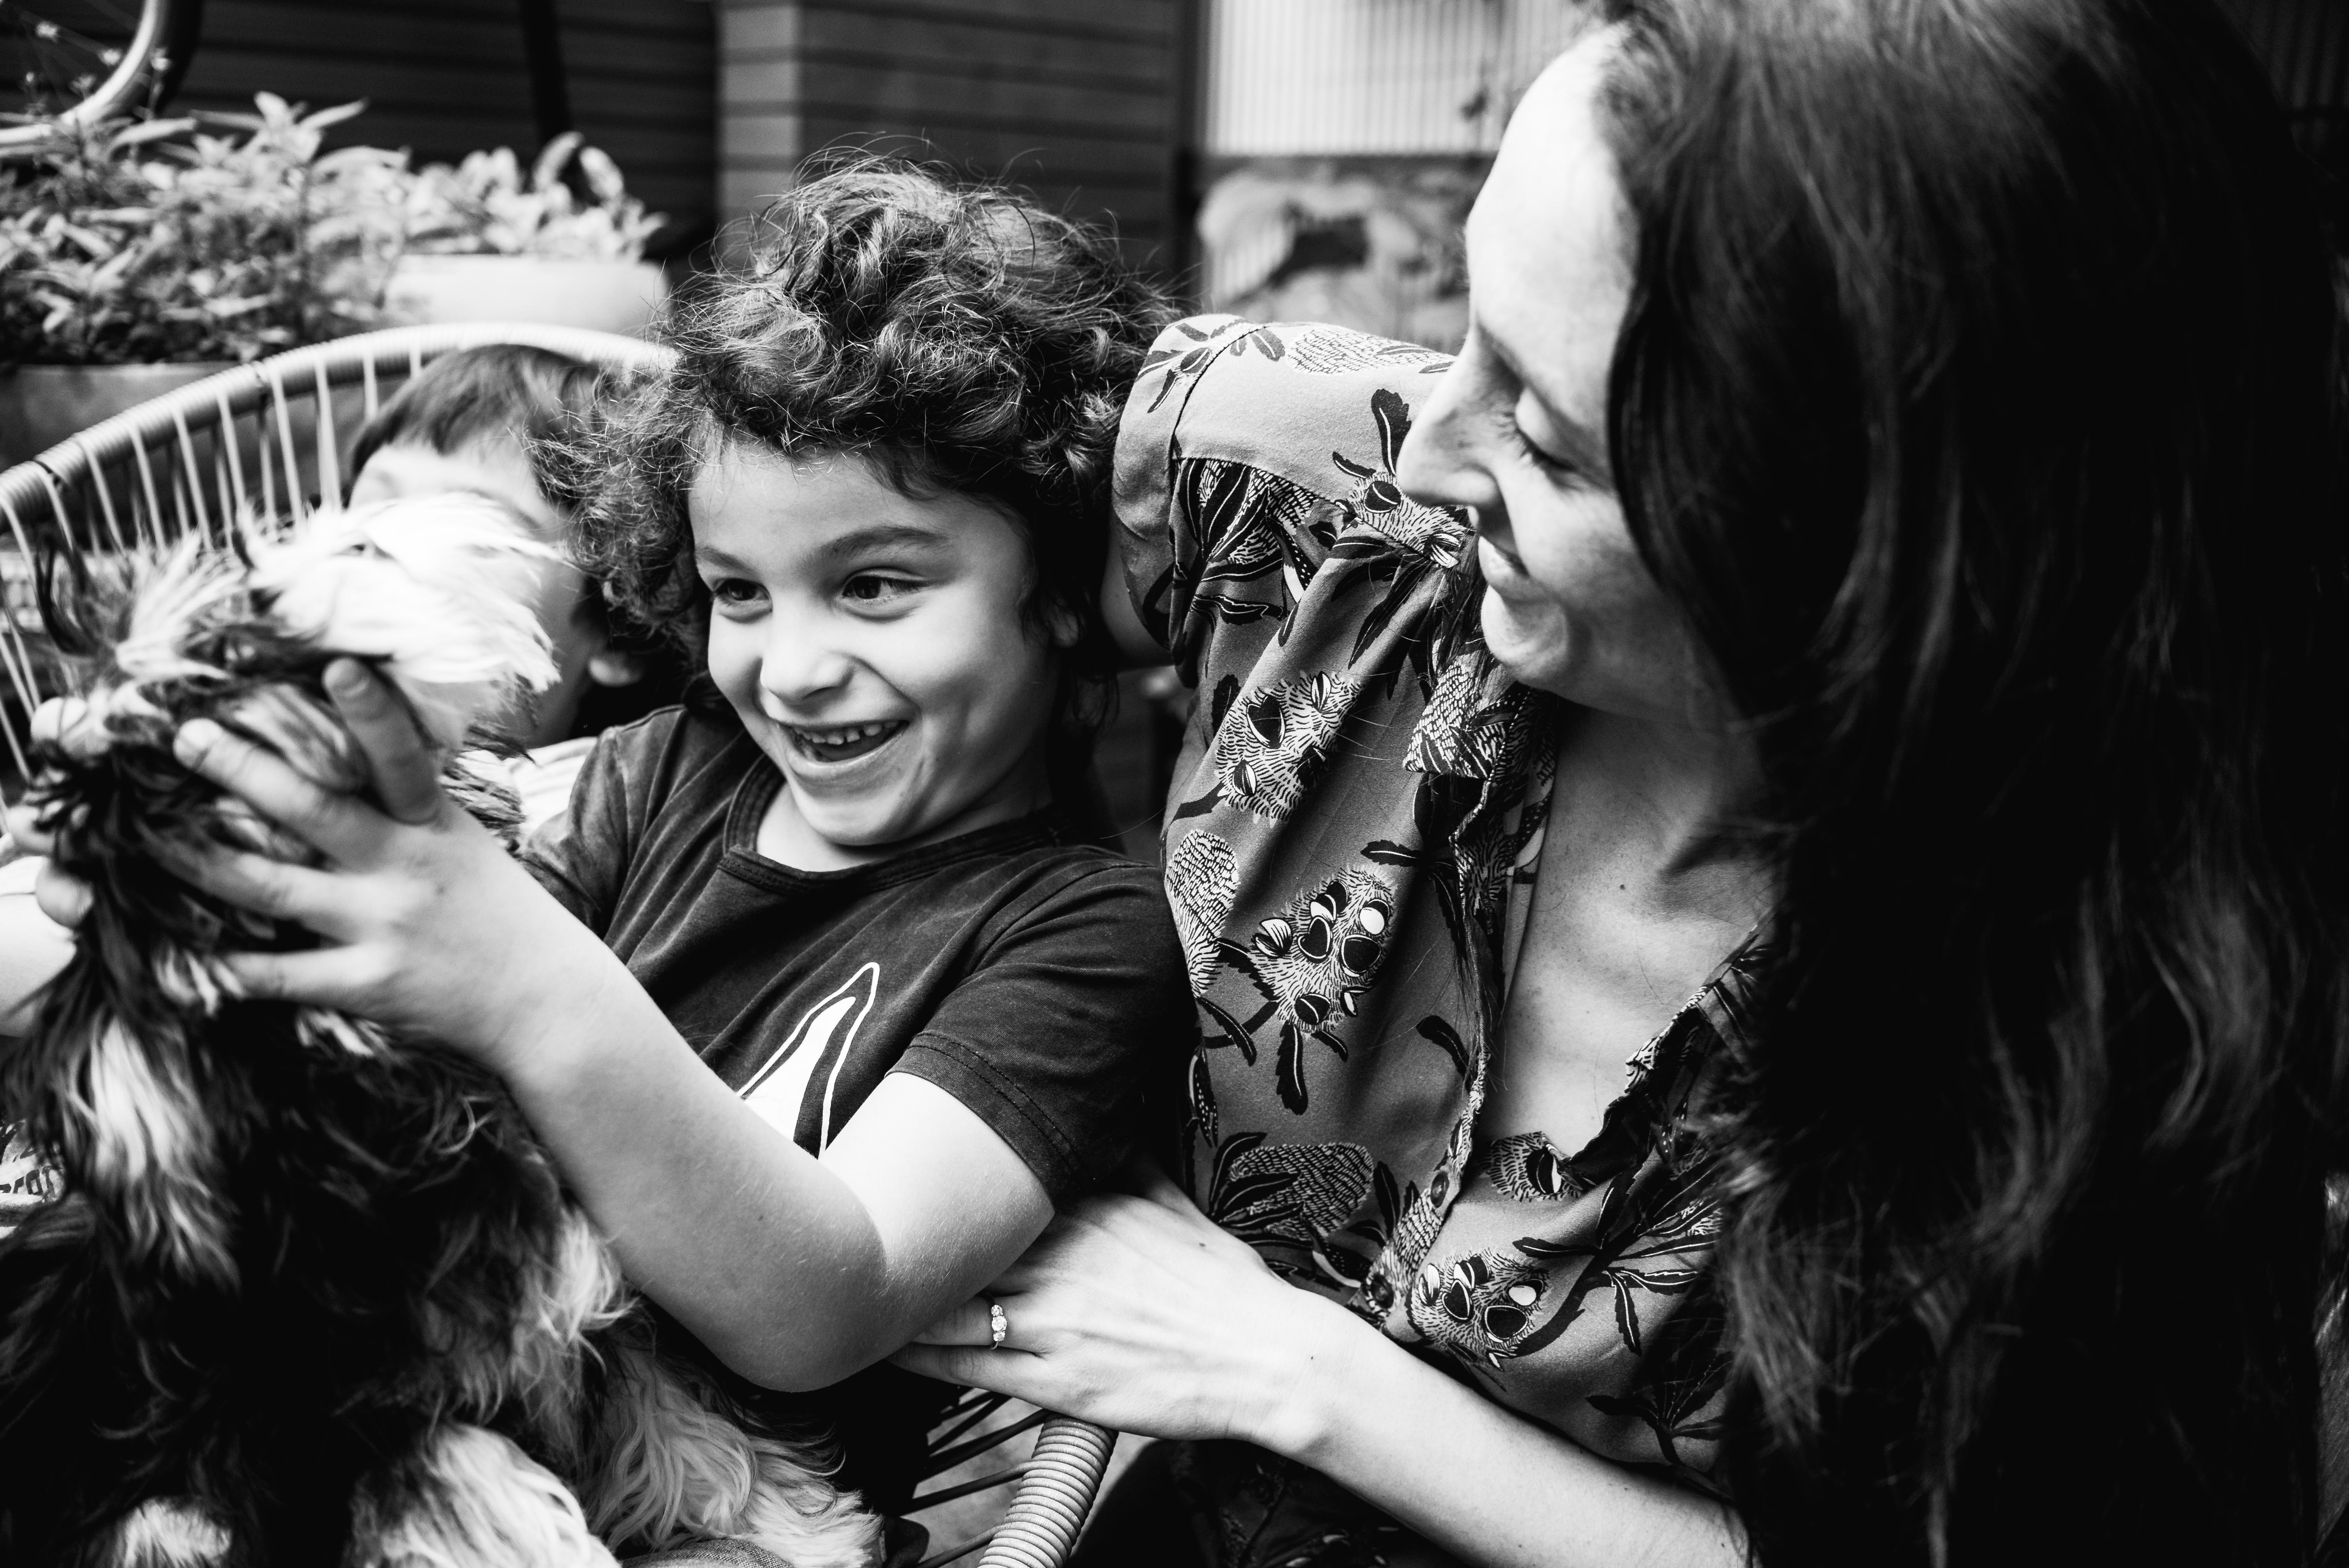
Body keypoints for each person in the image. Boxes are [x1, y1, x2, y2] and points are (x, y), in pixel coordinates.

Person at [884, 3, 2347, 1566]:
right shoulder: (1322, 496)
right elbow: (786, 549)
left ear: (1887, 565)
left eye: (1548, 439)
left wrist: (1301, 1377)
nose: (1433, 450)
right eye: (1467, 329)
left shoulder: (2161, 1022)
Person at [1, 165, 1193, 1523]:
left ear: (1059, 587)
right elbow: (366, 955)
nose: (792, 667)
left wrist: (523, 982)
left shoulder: (1087, 933)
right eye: (739, 592)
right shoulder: (669, 772)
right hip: (374, 1388)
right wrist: (132, 873)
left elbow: (825, 1300)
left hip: (695, 1502)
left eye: (874, 584)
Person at [343, 342, 679, 822]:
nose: (387, 541)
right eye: (376, 503)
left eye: (474, 527)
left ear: (619, 633)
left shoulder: (594, 816)